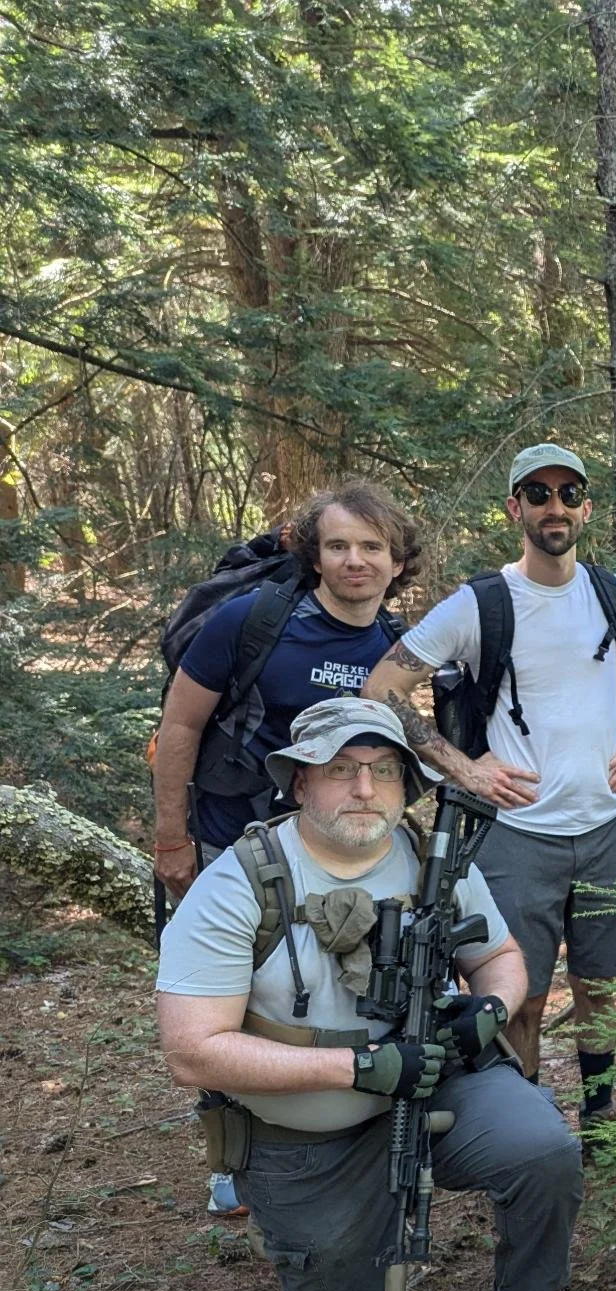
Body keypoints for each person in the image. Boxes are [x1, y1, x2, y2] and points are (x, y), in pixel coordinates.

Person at [154, 699, 592, 1291]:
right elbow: (192, 1050)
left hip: (437, 1080)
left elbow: (501, 958)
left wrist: (490, 1012)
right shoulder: (241, 881)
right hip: (305, 1135)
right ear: (299, 782)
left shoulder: (432, 860)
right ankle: (294, 1221)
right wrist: (359, 1068)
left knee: (542, 1148)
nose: (364, 789)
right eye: (340, 769)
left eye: (384, 770)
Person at [365, 443, 616, 1136]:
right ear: (515, 507)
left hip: (606, 829)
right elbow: (382, 687)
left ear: (586, 508)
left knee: (601, 991)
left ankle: (602, 1124)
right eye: (537, 494)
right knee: (521, 1001)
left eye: (569, 493)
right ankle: (532, 1132)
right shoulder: (479, 603)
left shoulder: (614, 594)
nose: (554, 507)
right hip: (518, 837)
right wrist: (463, 768)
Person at [154, 481, 420, 1216]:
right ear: (314, 554)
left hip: (333, 846)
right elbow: (179, 729)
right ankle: (232, 1155)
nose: (355, 561)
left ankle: (328, 1119)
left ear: (398, 562)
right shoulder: (253, 623)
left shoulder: (392, 649)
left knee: (312, 981)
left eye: (372, 547)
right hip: (232, 833)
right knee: (225, 998)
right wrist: (171, 837)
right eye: (338, 546)